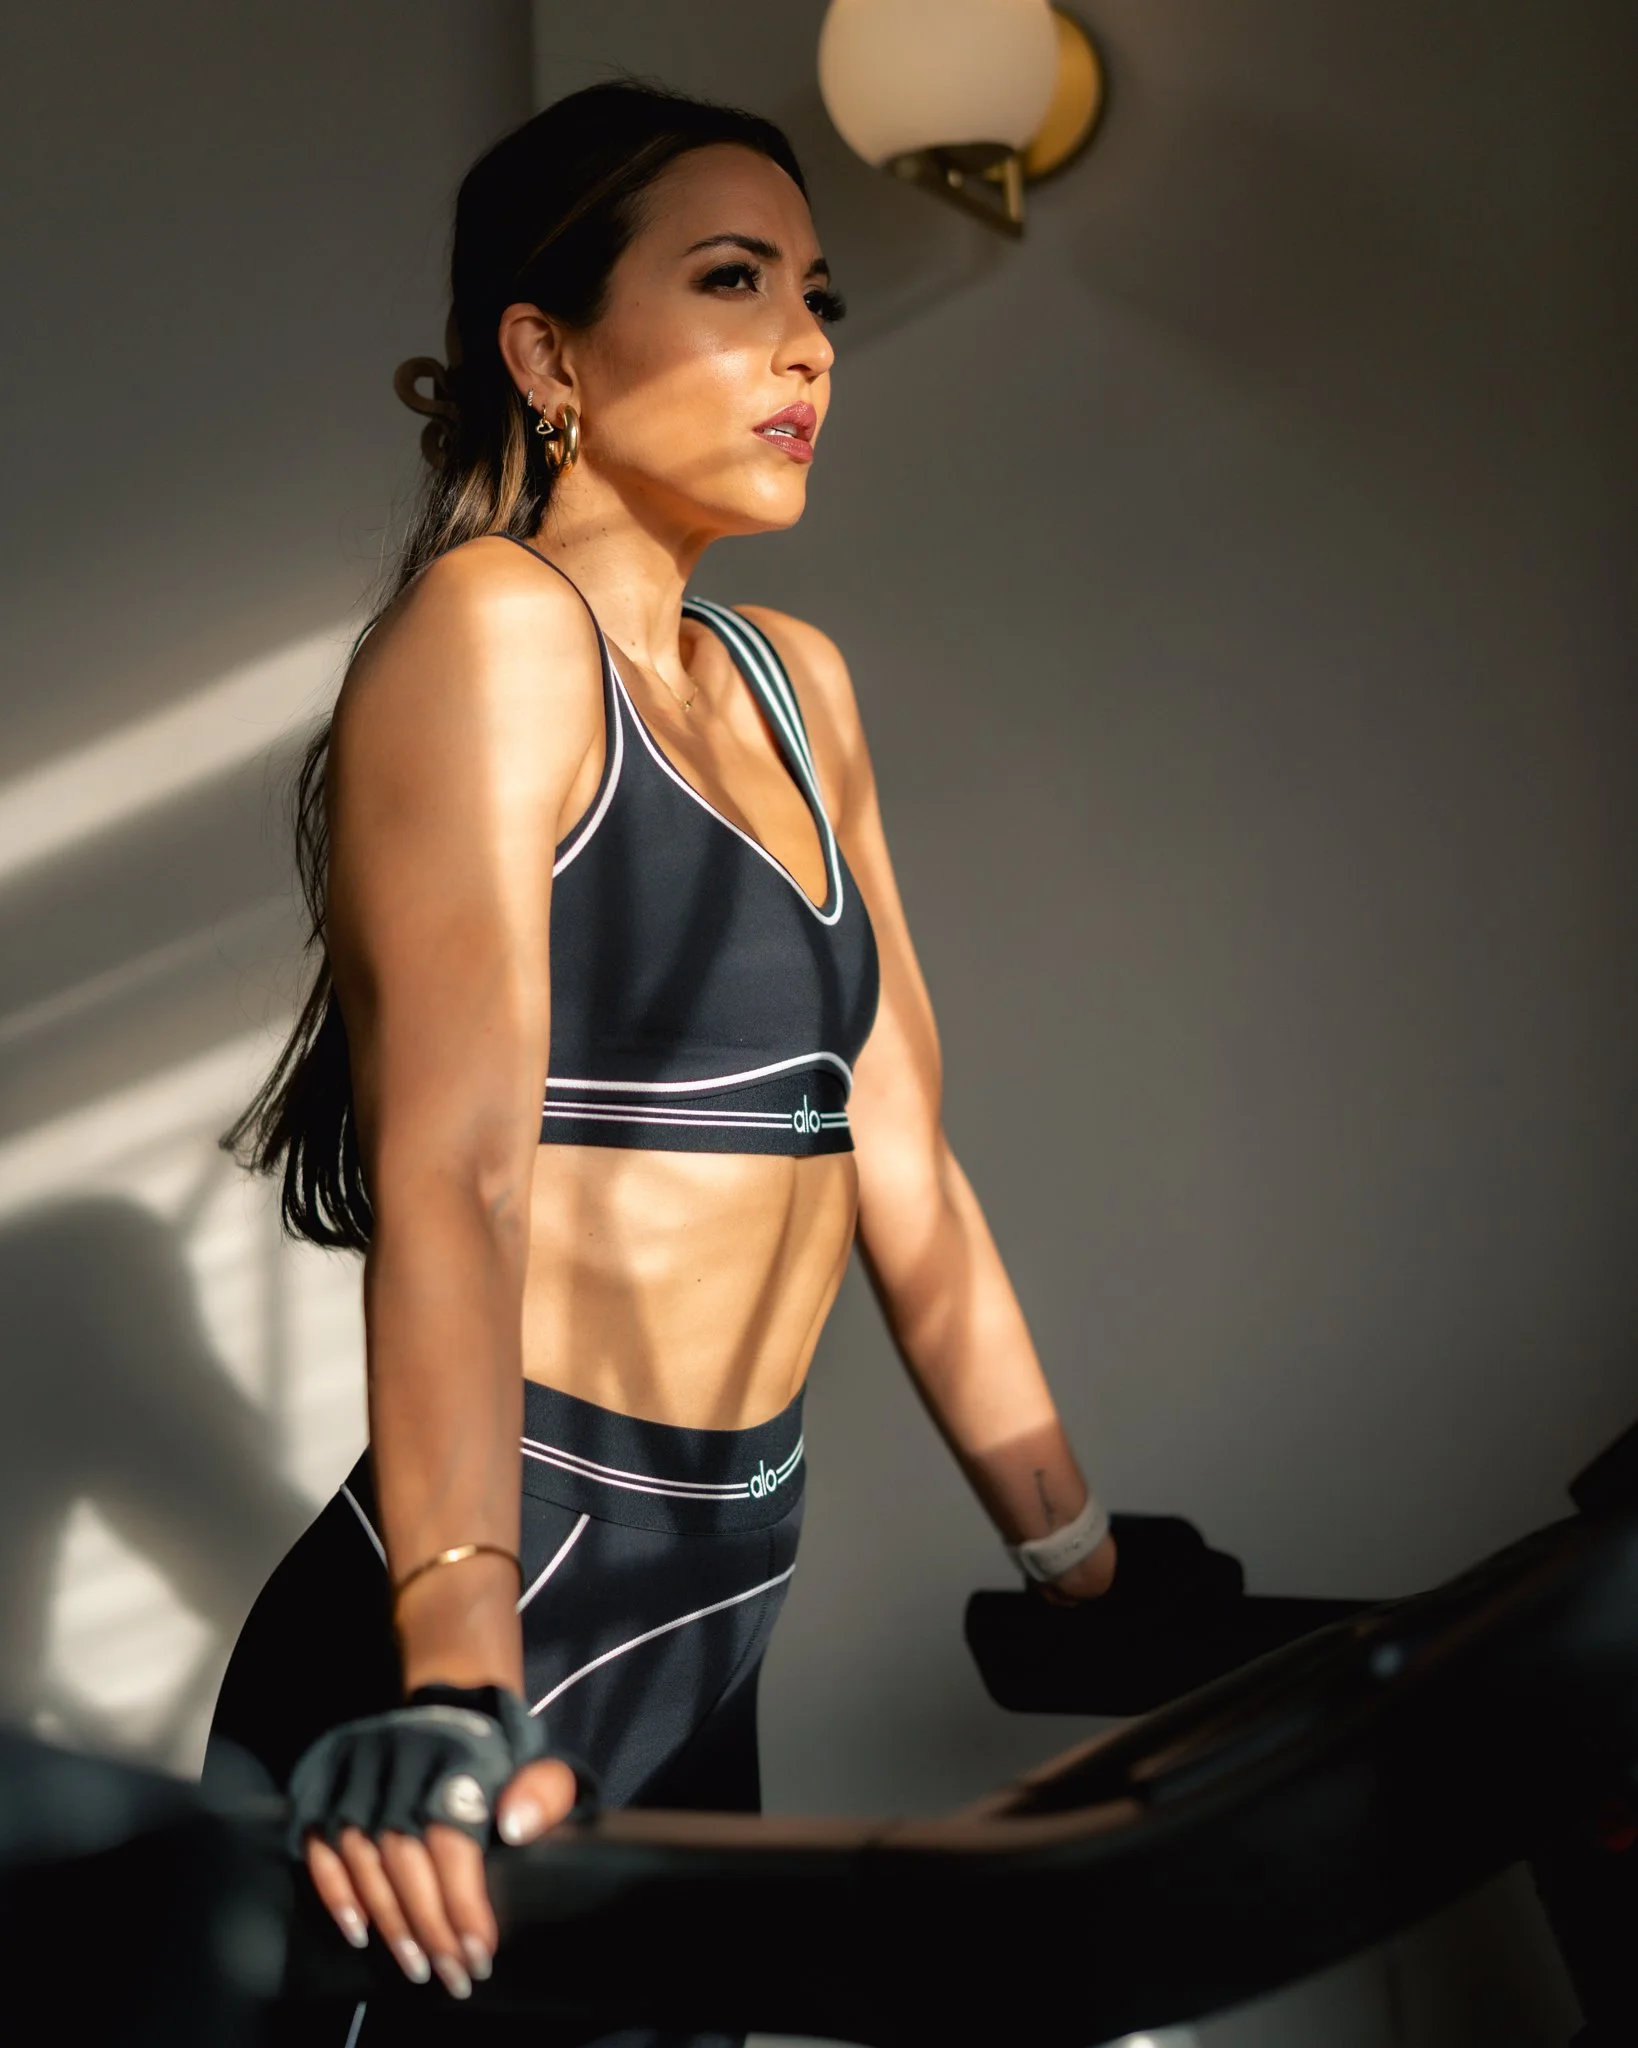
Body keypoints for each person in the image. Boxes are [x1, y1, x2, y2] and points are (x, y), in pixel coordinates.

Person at [206, 80, 1119, 2045]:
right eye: (731, 283)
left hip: (720, 1606)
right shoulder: (493, 635)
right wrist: (452, 1669)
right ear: (547, 353)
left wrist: (1085, 1562)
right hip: (489, 1620)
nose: (804, 347)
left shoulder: (802, 687)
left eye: (816, 300)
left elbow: (904, 1160)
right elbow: (457, 1167)